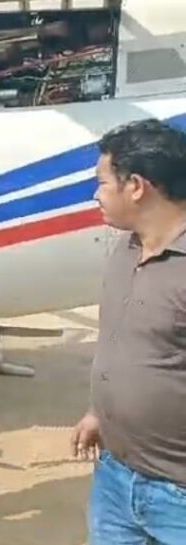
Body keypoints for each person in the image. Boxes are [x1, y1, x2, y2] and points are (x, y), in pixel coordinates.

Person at [69, 119, 186, 544]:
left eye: (102, 182)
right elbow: (125, 341)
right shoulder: (127, 247)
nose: (95, 194)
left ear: (136, 186)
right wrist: (99, 412)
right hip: (116, 479)